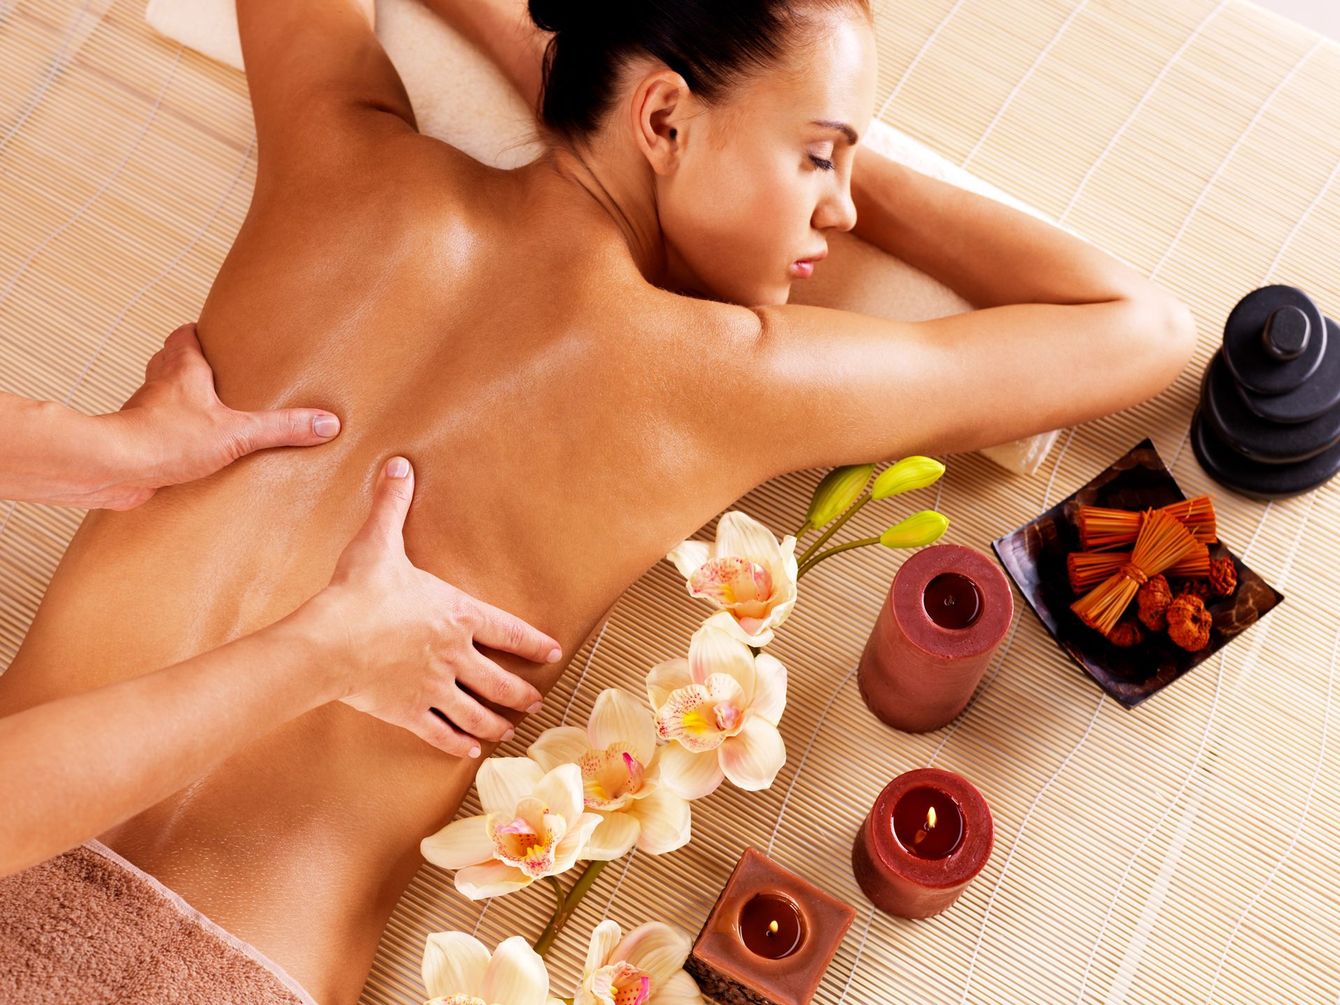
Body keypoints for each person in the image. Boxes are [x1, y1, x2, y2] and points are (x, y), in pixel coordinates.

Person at [0, 1, 1196, 1001]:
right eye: (821, 156)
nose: (837, 210)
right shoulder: (723, 377)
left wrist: (570, 59)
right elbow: (1140, 330)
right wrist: (603, 82)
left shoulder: (340, 159)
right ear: (664, 115)